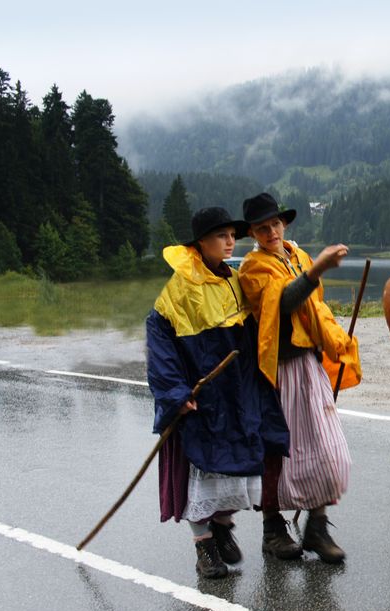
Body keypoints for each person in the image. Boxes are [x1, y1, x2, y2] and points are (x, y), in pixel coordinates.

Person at [146, 207, 290, 579]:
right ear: (200, 243)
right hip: (203, 396)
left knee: (240, 464)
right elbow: (160, 344)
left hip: (237, 393)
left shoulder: (235, 278)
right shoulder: (180, 288)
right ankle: (204, 546)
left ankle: (222, 526)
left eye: (232, 236)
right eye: (222, 236)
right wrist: (176, 393)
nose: (230, 242)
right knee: (203, 467)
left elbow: (260, 326)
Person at [238, 192, 361, 564]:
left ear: (284, 224)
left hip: (308, 365)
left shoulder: (297, 255)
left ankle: (317, 527)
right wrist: (316, 270)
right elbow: (283, 303)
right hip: (277, 371)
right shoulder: (252, 268)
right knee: (280, 455)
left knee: (328, 451)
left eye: (275, 224)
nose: (271, 231)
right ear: (253, 234)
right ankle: (273, 531)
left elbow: (315, 306)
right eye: (262, 228)